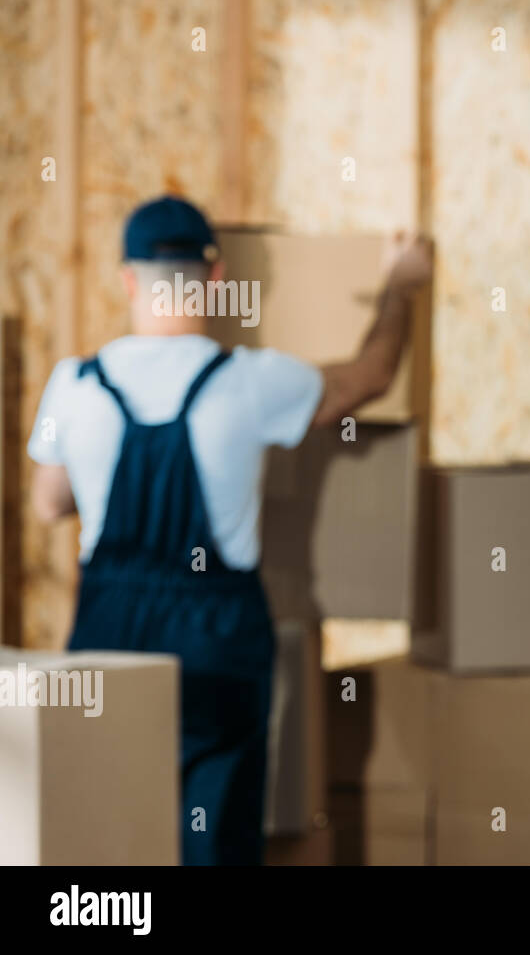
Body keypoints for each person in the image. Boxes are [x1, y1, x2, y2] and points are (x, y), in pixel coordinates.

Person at [27, 195, 431, 865]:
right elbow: (369, 377)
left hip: (109, 631)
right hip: (216, 635)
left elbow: (48, 501)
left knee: (106, 835)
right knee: (211, 837)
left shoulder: (72, 384)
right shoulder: (251, 381)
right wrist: (400, 284)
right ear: (215, 278)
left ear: (127, 279)